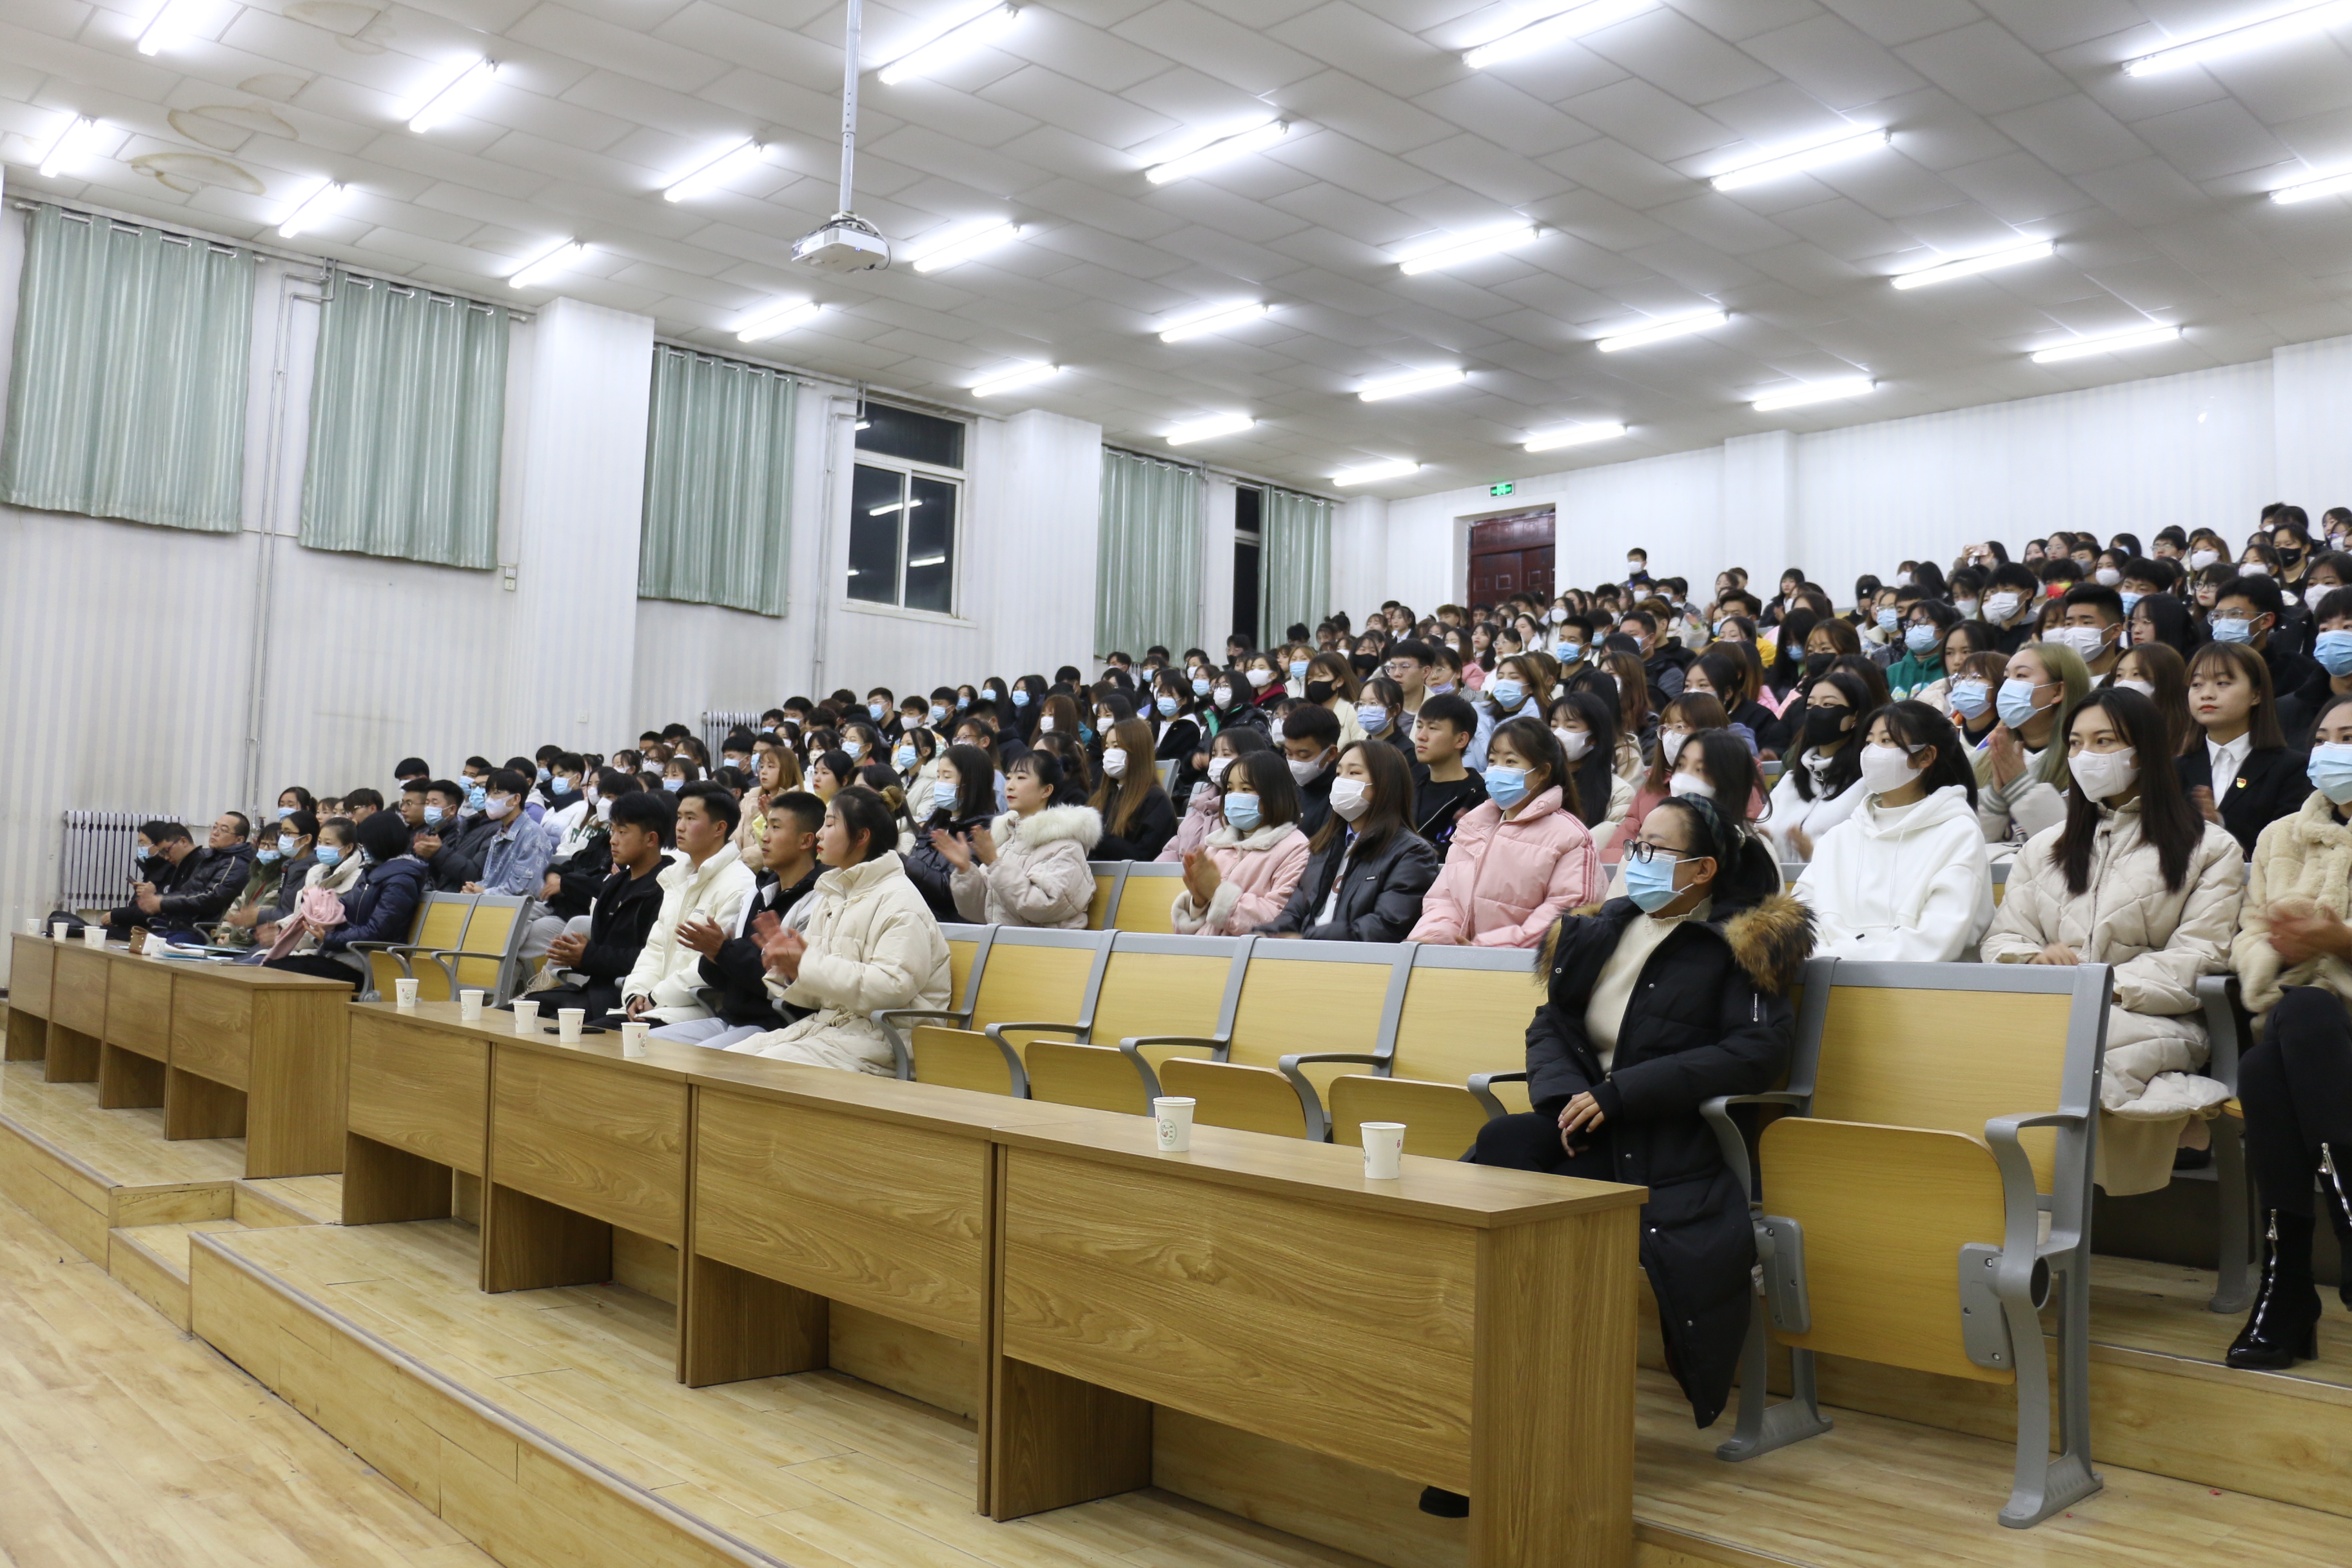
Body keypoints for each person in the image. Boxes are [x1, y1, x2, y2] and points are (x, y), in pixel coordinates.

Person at [1460, 794, 1812, 1441]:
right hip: (1589, 1123)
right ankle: (1489, 1365)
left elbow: (1755, 1052)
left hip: (1666, 1137)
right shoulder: (1604, 927)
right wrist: (1566, 1097)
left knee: (1530, 1195)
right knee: (1502, 1142)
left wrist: (1623, 1092)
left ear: (1702, 869)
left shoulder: (1738, 943)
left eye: (1654, 848)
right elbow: (1552, 1024)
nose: (1636, 857)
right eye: (1635, 843)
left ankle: (1535, 1390)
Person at [1981, 689, 2243, 1195]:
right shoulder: (2044, 847)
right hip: (2049, 1005)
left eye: (2104, 741)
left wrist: (2101, 984)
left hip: (2151, 1014)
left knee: (2077, 1052)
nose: (2086, 756)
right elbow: (2003, 937)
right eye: (2076, 743)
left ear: (2145, 751)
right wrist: (2034, 960)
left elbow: (2201, 956)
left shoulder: (2210, 848)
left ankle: (2049, 1210)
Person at [2225, 692, 2352, 1367]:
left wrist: (2340, 941)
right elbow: (2249, 934)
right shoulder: (2281, 835)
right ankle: (2347, 1224)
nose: (2333, 749)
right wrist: (2278, 948)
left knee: (2265, 1063)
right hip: (2303, 1019)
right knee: (2299, 1018)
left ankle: (2287, 1287)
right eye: (2324, 737)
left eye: (2350, 736)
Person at [726, 787, 953, 1074]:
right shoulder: (834, 895)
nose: (820, 834)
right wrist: (790, 969)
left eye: (830, 824)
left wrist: (806, 963)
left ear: (862, 836)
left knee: (763, 1072)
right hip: (833, 1029)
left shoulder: (901, 901)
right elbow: (820, 995)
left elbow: (892, 988)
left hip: (890, 1043)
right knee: (730, 1061)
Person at [1793, 703, 1992, 962]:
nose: (1871, 752)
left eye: (1886, 741)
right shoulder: (1839, 837)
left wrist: (1839, 960)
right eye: (1868, 742)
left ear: (1925, 756)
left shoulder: (1958, 834)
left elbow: (1934, 942)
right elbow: (1799, 924)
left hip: (1921, 984)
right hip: (1827, 977)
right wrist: (1829, 963)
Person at [649, 792, 826, 1048]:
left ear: (806, 840)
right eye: (766, 826)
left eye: (776, 827)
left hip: (778, 1026)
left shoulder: (820, 900)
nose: (765, 836)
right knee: (647, 1045)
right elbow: (723, 974)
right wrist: (713, 954)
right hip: (730, 1018)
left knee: (696, 1059)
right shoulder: (758, 893)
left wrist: (723, 951)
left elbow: (786, 987)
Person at [1409, 719, 1602, 947]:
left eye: (1510, 761)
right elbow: (1443, 900)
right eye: (1492, 761)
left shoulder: (1571, 838)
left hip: (1522, 964)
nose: (1497, 769)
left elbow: (1566, 912)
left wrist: (1487, 949)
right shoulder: (1472, 827)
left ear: (1542, 772)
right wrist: (1432, 941)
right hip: (1457, 961)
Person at [1255, 740, 1440, 941]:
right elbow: (1294, 913)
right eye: (1338, 773)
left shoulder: (1411, 853)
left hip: (1351, 958)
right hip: (1304, 953)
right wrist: (1266, 935)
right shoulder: (1323, 847)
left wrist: (1307, 938)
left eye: (1354, 773)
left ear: (1385, 784)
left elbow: (1387, 925)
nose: (1342, 781)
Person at [620, 782, 758, 1027]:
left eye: (691, 818)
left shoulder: (740, 885)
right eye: (679, 817)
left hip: (698, 1011)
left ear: (719, 828)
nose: (680, 826)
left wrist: (655, 997)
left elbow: (710, 966)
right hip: (653, 1007)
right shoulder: (677, 878)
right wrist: (636, 993)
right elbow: (655, 949)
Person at [536, 789, 676, 1023]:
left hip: (625, 1000)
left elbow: (652, 957)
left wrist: (588, 955)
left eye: (623, 832)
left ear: (651, 839)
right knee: (513, 1012)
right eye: (612, 830)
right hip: (592, 992)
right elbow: (601, 951)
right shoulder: (615, 884)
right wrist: (575, 957)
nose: (613, 840)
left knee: (548, 1026)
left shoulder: (667, 888)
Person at [264, 811, 427, 990]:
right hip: (347, 954)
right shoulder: (372, 872)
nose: (363, 849)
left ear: (380, 843)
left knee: (279, 971)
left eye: (365, 844)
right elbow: (346, 909)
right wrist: (320, 907)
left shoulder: (400, 881)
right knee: (275, 966)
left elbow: (378, 931)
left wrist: (331, 938)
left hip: (367, 964)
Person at [941, 751, 1100, 928]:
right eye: (1009, 778)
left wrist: (995, 864)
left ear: (1046, 790)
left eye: (1021, 778)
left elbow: (1041, 907)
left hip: (1046, 944)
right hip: (1007, 941)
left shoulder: (1066, 847)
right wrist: (965, 870)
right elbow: (979, 912)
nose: (1010, 786)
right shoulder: (1008, 841)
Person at [2179, 642, 2307, 857]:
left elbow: (2288, 846)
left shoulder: (2292, 768)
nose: (2207, 694)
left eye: (2222, 683)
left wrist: (2219, 823)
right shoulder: (2174, 768)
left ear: (2256, 695)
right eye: (2197, 684)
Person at [1170, 752, 1313, 936]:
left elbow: (1277, 918)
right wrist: (1198, 901)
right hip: (1203, 949)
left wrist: (1216, 892)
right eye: (1230, 789)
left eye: (1246, 789)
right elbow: (1189, 927)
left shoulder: (1295, 848)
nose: (1234, 796)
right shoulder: (1218, 843)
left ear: (1274, 794)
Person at [1975, 642, 2091, 847]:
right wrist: (1994, 800)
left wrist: (2019, 787)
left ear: (2057, 691)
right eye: (2007, 677)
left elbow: (2070, 848)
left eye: (2021, 676)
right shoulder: (1981, 758)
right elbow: (1966, 843)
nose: (2008, 686)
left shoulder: (2089, 762)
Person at [1764, 670, 1870, 861]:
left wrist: (1814, 856)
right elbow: (1762, 834)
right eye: (1810, 705)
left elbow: (1867, 856)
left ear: (1855, 716)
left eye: (1828, 704)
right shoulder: (1790, 781)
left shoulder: (1867, 785)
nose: (1816, 712)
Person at [104, 812, 254, 940]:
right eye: (215, 827)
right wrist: (157, 899)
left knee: (150, 946)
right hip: (181, 925)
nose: (215, 832)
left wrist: (161, 902)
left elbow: (211, 898)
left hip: (201, 930)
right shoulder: (210, 857)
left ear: (239, 840)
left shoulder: (236, 863)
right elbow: (186, 892)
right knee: (139, 943)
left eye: (223, 830)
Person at [216, 810, 317, 948]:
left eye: (287, 833)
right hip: (260, 939)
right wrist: (223, 933)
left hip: (282, 941)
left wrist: (256, 917)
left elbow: (296, 915)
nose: (283, 839)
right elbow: (238, 905)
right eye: (282, 833)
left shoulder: (314, 873)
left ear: (306, 839)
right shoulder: (286, 868)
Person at [1549, 690, 1634, 853]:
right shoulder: (1539, 781)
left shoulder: (1619, 793)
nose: (1558, 734)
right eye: (1553, 726)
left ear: (1594, 737)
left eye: (1571, 727)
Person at [1410, 692, 1489, 857]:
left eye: (1433, 728)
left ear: (1461, 740)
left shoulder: (1478, 798)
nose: (1421, 736)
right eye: (1419, 726)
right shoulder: (1409, 789)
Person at [1090, 717, 1177, 859]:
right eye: (1107, 747)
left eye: (1116, 746)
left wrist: (1098, 837)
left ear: (1137, 751)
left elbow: (1145, 857)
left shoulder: (1156, 801)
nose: (1109, 753)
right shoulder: (1100, 798)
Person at [1280, 705, 1342, 837]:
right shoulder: (1289, 791)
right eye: (1289, 754)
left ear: (1331, 753)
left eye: (1304, 755)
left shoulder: (1341, 798)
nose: (1295, 764)